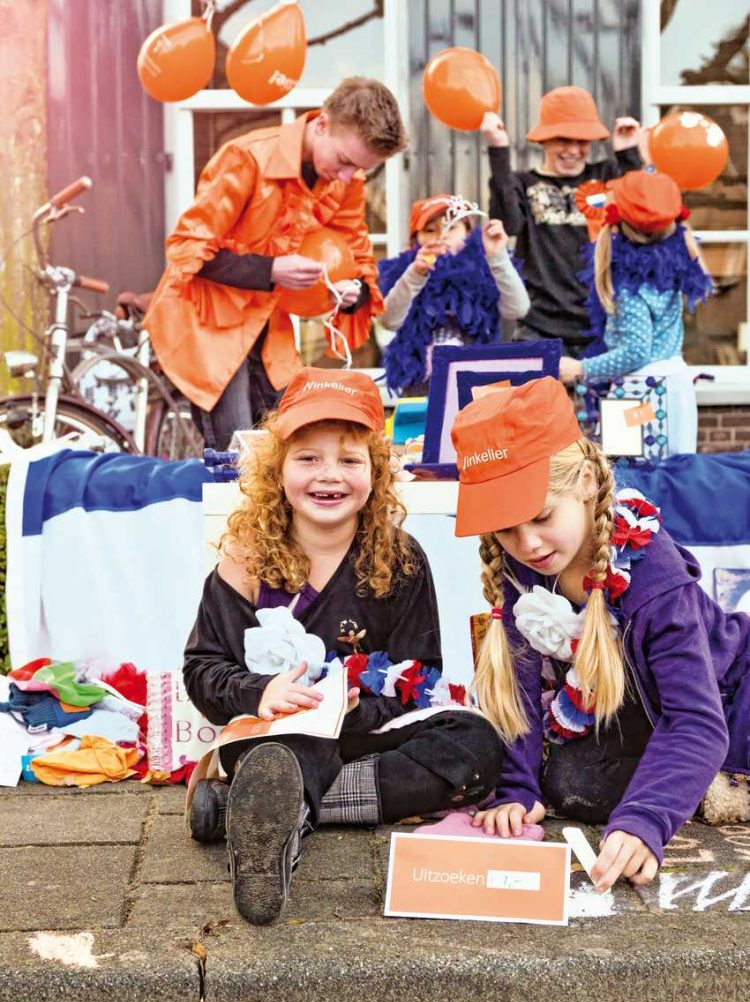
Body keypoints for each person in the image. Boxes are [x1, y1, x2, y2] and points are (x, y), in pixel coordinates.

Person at [183, 366, 504, 924]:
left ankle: (262, 812)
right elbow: (203, 668)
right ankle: (271, 805)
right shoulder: (246, 557)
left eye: (350, 460)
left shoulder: (401, 560)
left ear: (375, 473)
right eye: (308, 458)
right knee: (277, 755)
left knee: (475, 742)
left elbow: (419, 674)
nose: (328, 475)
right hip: (277, 736)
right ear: (276, 468)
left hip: (366, 736)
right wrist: (261, 693)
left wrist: (359, 706)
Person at [449, 377, 750, 893]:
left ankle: (724, 777)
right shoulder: (525, 567)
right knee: (567, 783)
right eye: (505, 529)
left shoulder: (652, 579)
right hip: (635, 716)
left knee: (622, 782)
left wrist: (646, 820)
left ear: (587, 481)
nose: (527, 544)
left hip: (728, 699)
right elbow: (518, 689)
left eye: (541, 516)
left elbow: (693, 717)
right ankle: (699, 781)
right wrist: (517, 788)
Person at [145, 78, 408, 451]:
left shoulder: (346, 180)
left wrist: (354, 291)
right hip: (209, 325)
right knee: (237, 455)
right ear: (321, 125)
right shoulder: (246, 158)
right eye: (345, 161)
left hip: (269, 325)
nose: (349, 176)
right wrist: (271, 270)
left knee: (293, 439)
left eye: (361, 169)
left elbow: (355, 249)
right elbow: (187, 250)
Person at [558, 170, 714, 455]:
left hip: (641, 396)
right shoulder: (674, 261)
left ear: (617, 226)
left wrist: (581, 369)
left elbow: (636, 352)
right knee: (674, 479)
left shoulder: (632, 288)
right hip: (674, 388)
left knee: (631, 482)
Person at [481, 86, 641, 355]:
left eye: (582, 141)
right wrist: (498, 148)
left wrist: (628, 154)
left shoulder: (606, 174)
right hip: (539, 328)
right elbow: (508, 223)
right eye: (563, 140)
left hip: (604, 327)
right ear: (545, 140)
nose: (573, 150)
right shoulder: (522, 183)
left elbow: (642, 210)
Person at [377, 195, 530, 391]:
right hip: (421, 383)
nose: (442, 235)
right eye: (430, 230)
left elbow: (518, 309)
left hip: (479, 381)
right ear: (415, 240)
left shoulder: (487, 268)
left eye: (452, 227)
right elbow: (390, 320)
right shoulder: (407, 274)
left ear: (469, 232)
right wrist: (415, 274)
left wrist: (497, 257)